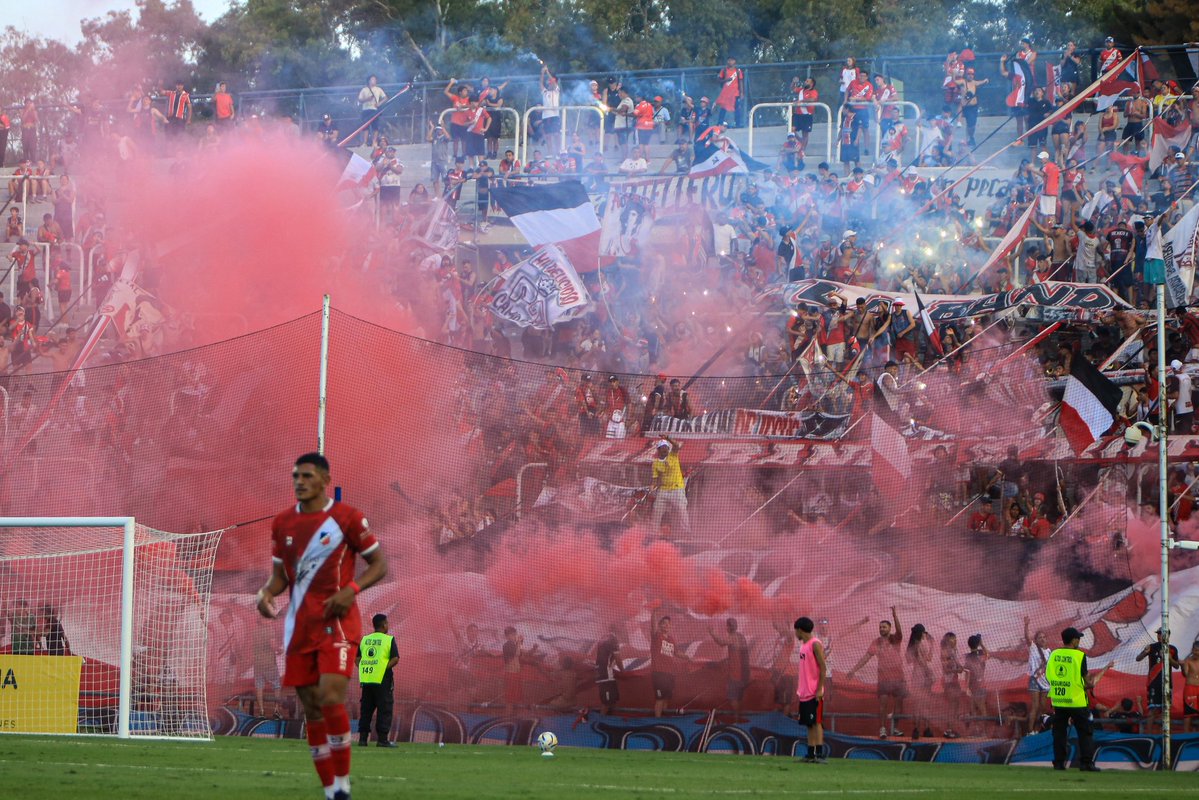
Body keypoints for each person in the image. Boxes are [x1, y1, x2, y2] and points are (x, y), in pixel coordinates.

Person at [256, 452, 389, 800]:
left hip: (338, 623)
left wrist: (351, 589)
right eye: (296, 476)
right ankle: (331, 790)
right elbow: (280, 577)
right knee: (312, 708)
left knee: (330, 696)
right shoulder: (283, 523)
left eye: (307, 476)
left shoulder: (348, 518)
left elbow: (379, 564)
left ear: (325, 480)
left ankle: (343, 784)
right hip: (300, 627)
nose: (300, 482)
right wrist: (266, 593)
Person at [846, 606, 905, 739]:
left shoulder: (895, 639)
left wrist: (895, 615)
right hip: (884, 678)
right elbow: (866, 657)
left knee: (899, 704)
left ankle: (895, 728)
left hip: (898, 677)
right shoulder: (876, 642)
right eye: (880, 627)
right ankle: (882, 729)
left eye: (884, 627)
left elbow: (900, 631)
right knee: (883, 704)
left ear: (889, 628)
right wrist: (853, 670)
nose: (881, 629)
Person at [1048, 626, 1100, 771]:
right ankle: (1086, 763)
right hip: (1077, 700)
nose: (1079, 641)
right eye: (1078, 638)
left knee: (1059, 733)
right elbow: (1086, 679)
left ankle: (1059, 763)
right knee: (1085, 732)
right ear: (1073, 640)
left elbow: (1048, 675)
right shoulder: (1079, 655)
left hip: (1059, 699)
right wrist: (1090, 683)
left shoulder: (1054, 654)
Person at [356, 612, 399, 747]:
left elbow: (357, 659)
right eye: (387, 623)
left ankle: (362, 739)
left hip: (367, 680)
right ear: (384, 625)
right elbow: (395, 658)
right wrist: (382, 668)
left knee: (366, 709)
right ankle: (382, 740)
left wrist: (365, 668)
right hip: (383, 680)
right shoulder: (389, 639)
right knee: (384, 708)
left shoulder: (365, 639)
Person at [792, 616, 828, 763]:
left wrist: (819, 689)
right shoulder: (803, 646)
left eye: (796, 630)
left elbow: (823, 668)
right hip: (804, 692)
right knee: (809, 723)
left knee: (817, 722)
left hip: (814, 692)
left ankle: (819, 754)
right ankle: (810, 754)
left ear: (800, 630)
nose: (795, 634)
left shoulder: (815, 644)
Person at [1135, 628, 1181, 731]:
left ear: (1168, 635)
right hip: (1153, 683)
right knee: (1152, 709)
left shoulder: (1172, 649)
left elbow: (1177, 666)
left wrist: (1169, 658)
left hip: (1167, 683)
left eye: (1161, 634)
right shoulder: (1152, 647)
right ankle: (1149, 734)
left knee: (1166, 709)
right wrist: (1144, 652)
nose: (1159, 636)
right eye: (1158, 634)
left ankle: (1165, 733)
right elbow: (1138, 658)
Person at [650, 435, 690, 537]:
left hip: (677, 489)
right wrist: (652, 487)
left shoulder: (673, 456)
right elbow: (655, 479)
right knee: (656, 510)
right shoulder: (655, 463)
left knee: (682, 511)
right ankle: (654, 533)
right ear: (659, 450)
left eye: (666, 447)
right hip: (663, 490)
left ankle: (687, 533)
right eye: (663, 447)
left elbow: (676, 445)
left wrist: (667, 438)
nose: (665, 449)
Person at [709, 617, 751, 714]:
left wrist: (712, 633)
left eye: (727, 626)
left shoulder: (733, 637)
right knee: (739, 698)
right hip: (744, 673)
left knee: (733, 699)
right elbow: (738, 653)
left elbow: (721, 642)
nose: (726, 628)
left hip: (736, 674)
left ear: (729, 627)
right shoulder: (741, 636)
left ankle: (738, 718)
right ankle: (739, 718)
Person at [651, 611, 688, 717]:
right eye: (664, 623)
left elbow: (677, 653)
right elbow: (653, 626)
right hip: (659, 673)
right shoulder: (657, 636)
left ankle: (664, 720)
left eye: (668, 623)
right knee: (660, 699)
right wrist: (654, 611)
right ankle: (657, 722)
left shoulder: (671, 639)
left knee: (666, 698)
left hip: (670, 674)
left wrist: (688, 657)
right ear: (660, 625)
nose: (667, 625)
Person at [1024, 618, 1051, 734]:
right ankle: (1030, 732)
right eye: (1040, 637)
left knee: (1043, 707)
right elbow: (1027, 638)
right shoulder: (1033, 648)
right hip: (1035, 680)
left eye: (1044, 637)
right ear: (1036, 640)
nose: (1042, 639)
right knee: (1035, 706)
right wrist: (1026, 625)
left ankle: (1037, 729)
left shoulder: (1050, 652)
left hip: (1045, 682)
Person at [595, 630, 622, 715]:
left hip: (606, 675)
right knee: (607, 702)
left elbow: (609, 658)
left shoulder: (604, 639)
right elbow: (618, 659)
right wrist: (623, 670)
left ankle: (610, 719)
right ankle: (601, 720)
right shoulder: (613, 640)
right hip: (605, 676)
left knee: (612, 700)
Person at [1182, 639, 1199, 733]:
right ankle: (1186, 735)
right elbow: (1185, 674)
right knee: (1188, 714)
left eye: (1198, 650)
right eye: (1195, 650)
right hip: (1190, 688)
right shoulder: (1188, 661)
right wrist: (1182, 666)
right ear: (1192, 650)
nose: (1196, 652)